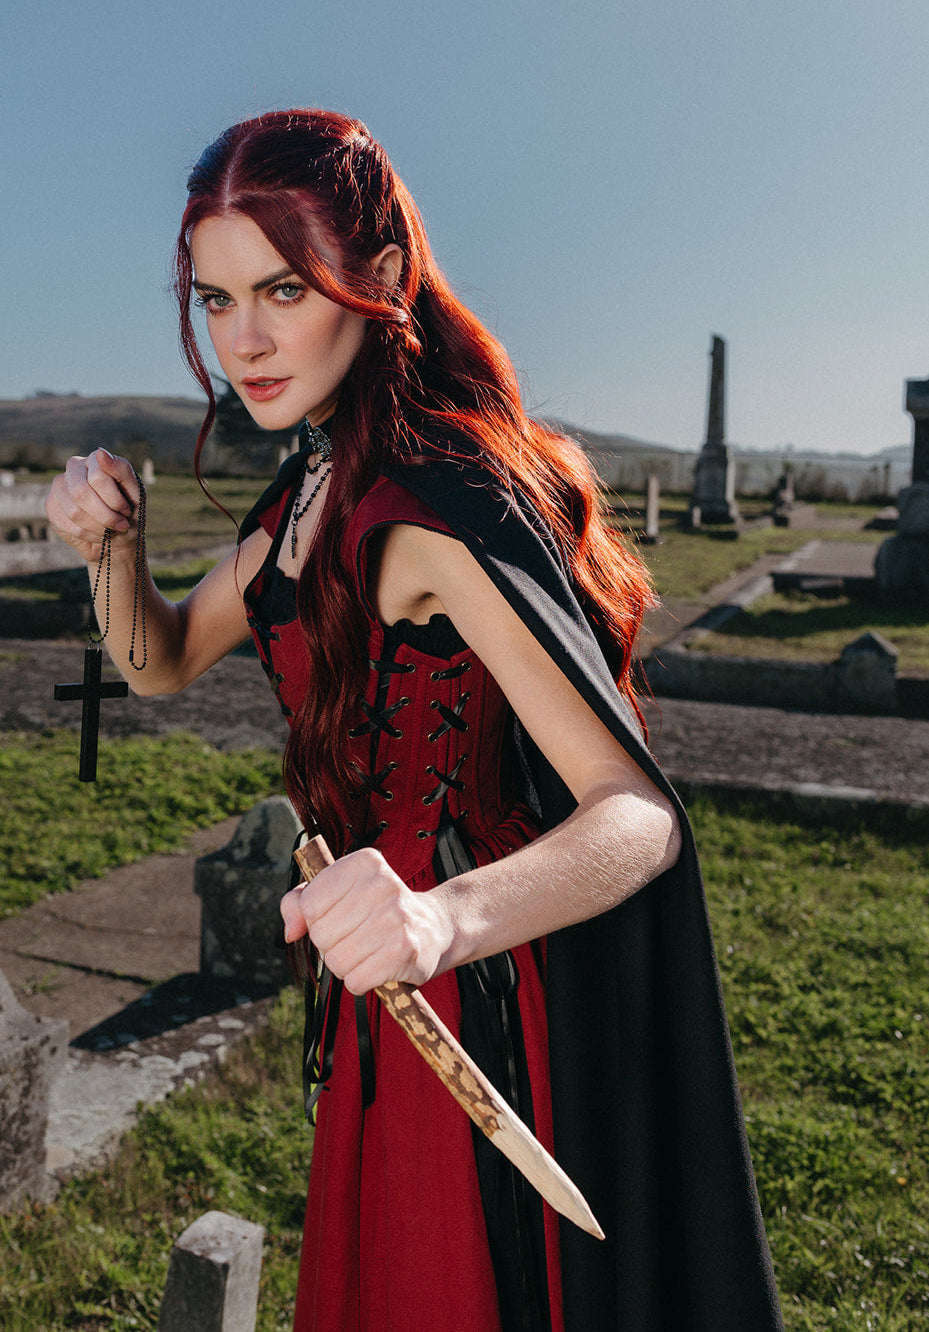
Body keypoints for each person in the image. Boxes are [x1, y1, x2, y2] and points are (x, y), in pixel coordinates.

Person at [45, 109, 782, 1331]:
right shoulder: (314, 489)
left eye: (284, 287)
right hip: (388, 996)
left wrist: (440, 916)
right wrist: (107, 547)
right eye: (217, 300)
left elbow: (638, 813)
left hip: (494, 1004)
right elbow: (160, 657)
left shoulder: (430, 502)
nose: (247, 340)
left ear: (379, 277)